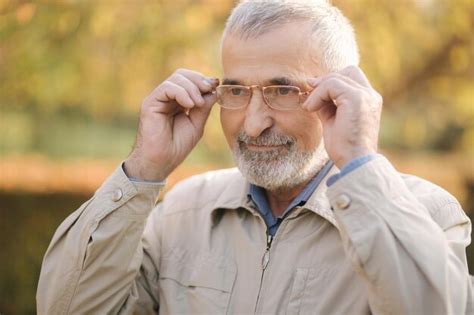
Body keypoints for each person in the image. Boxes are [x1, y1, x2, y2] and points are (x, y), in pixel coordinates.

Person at [37, 0, 473, 314]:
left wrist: (360, 162)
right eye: (236, 92)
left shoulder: (428, 212)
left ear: (342, 95)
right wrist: (144, 169)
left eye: (283, 90)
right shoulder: (182, 213)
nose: (252, 124)